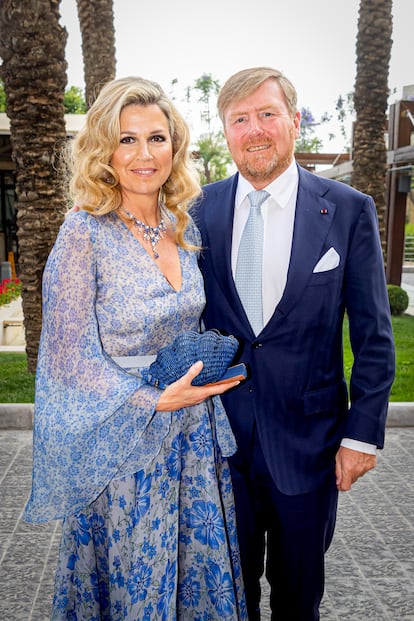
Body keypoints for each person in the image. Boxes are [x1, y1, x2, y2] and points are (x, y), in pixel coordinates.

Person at [24, 76, 247, 620]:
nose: (144, 154)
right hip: (124, 437)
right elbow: (65, 356)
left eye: (157, 138)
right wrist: (150, 400)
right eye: (128, 140)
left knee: (195, 578)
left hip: (192, 437)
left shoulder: (180, 225)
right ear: (105, 149)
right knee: (135, 582)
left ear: (176, 147)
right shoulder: (84, 231)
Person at [193, 67, 395, 621]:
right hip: (217, 446)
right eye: (239, 120)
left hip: (309, 449)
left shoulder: (348, 209)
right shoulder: (195, 210)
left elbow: (374, 335)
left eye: (266, 114)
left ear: (294, 121)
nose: (254, 130)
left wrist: (362, 436)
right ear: (225, 131)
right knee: (229, 600)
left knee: (299, 599)